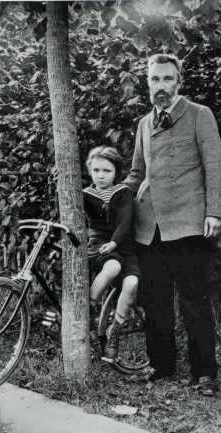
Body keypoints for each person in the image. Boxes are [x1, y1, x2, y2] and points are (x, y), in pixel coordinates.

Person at [124, 53, 221, 395]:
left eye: (168, 79)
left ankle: (205, 373)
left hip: (187, 224)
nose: (161, 86)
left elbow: (215, 166)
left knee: (194, 301)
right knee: (154, 300)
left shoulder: (199, 115)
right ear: (148, 83)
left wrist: (214, 211)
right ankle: (161, 364)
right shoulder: (143, 123)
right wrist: (110, 196)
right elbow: (137, 173)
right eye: (155, 79)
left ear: (179, 81)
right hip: (149, 226)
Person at [83, 146, 141, 360]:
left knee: (132, 282)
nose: (101, 175)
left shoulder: (123, 192)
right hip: (99, 245)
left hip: (123, 245)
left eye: (107, 171)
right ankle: (89, 309)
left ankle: (114, 331)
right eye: (96, 170)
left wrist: (115, 243)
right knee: (112, 266)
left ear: (116, 172)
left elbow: (125, 221)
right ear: (90, 170)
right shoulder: (86, 194)